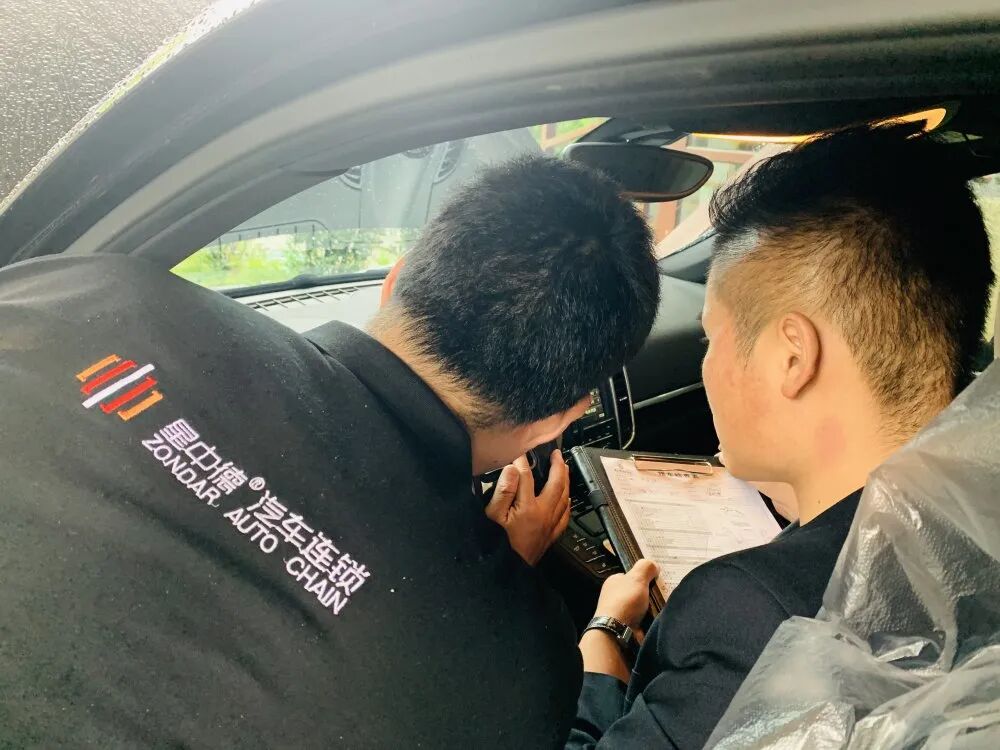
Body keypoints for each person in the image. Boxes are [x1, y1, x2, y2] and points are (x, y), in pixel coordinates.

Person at [0, 156, 659, 748]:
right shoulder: (518, 672)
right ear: (558, 420)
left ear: (395, 279)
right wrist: (501, 589)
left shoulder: (94, 289)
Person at [567, 123, 995, 749]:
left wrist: (604, 639)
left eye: (711, 338)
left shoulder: (747, 613)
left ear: (793, 357)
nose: (707, 364)